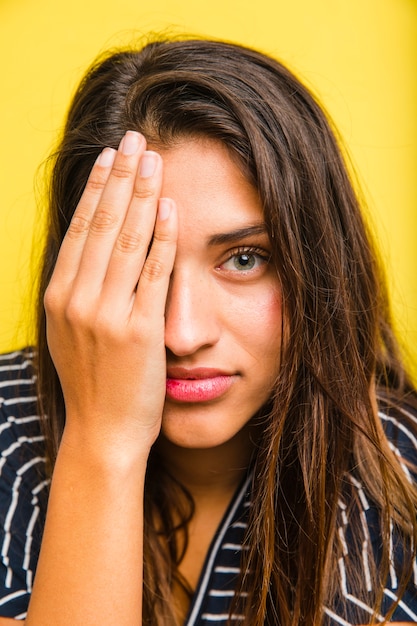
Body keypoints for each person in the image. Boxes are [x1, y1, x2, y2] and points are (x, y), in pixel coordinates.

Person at [0, 37, 416, 626]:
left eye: (245, 258)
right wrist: (103, 440)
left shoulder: (403, 483)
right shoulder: (6, 432)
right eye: (141, 260)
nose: (182, 333)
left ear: (320, 263)